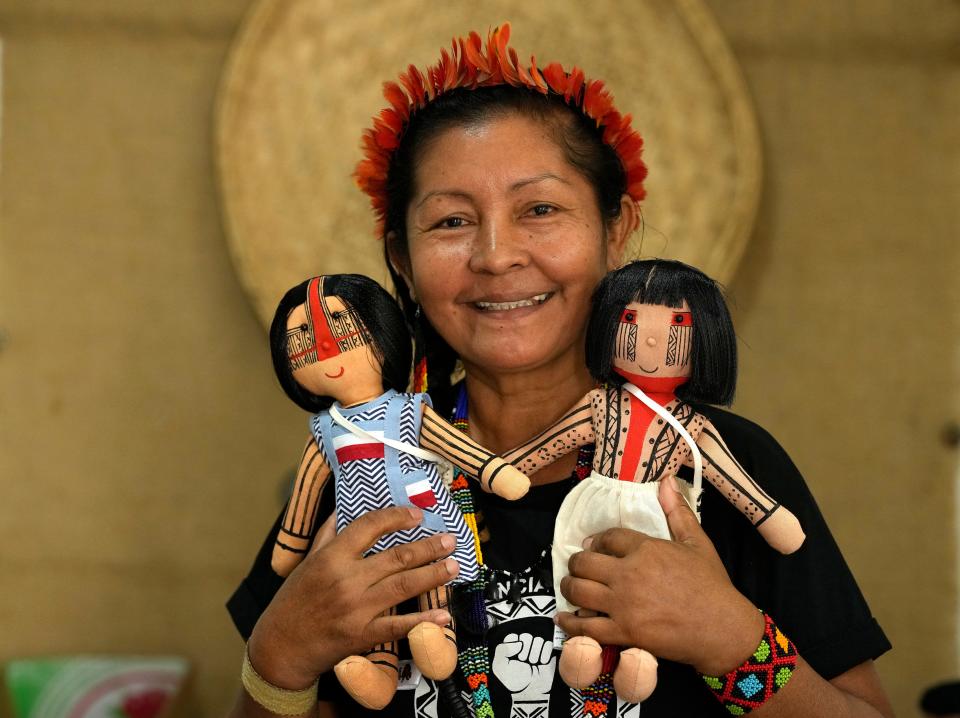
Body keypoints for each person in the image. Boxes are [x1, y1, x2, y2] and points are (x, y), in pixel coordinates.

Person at [227, 25, 893, 717]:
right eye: (451, 222)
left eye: (540, 209)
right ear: (401, 258)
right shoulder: (363, 470)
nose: (495, 255)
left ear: (616, 230)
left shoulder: (712, 467)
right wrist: (279, 654)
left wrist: (733, 641)